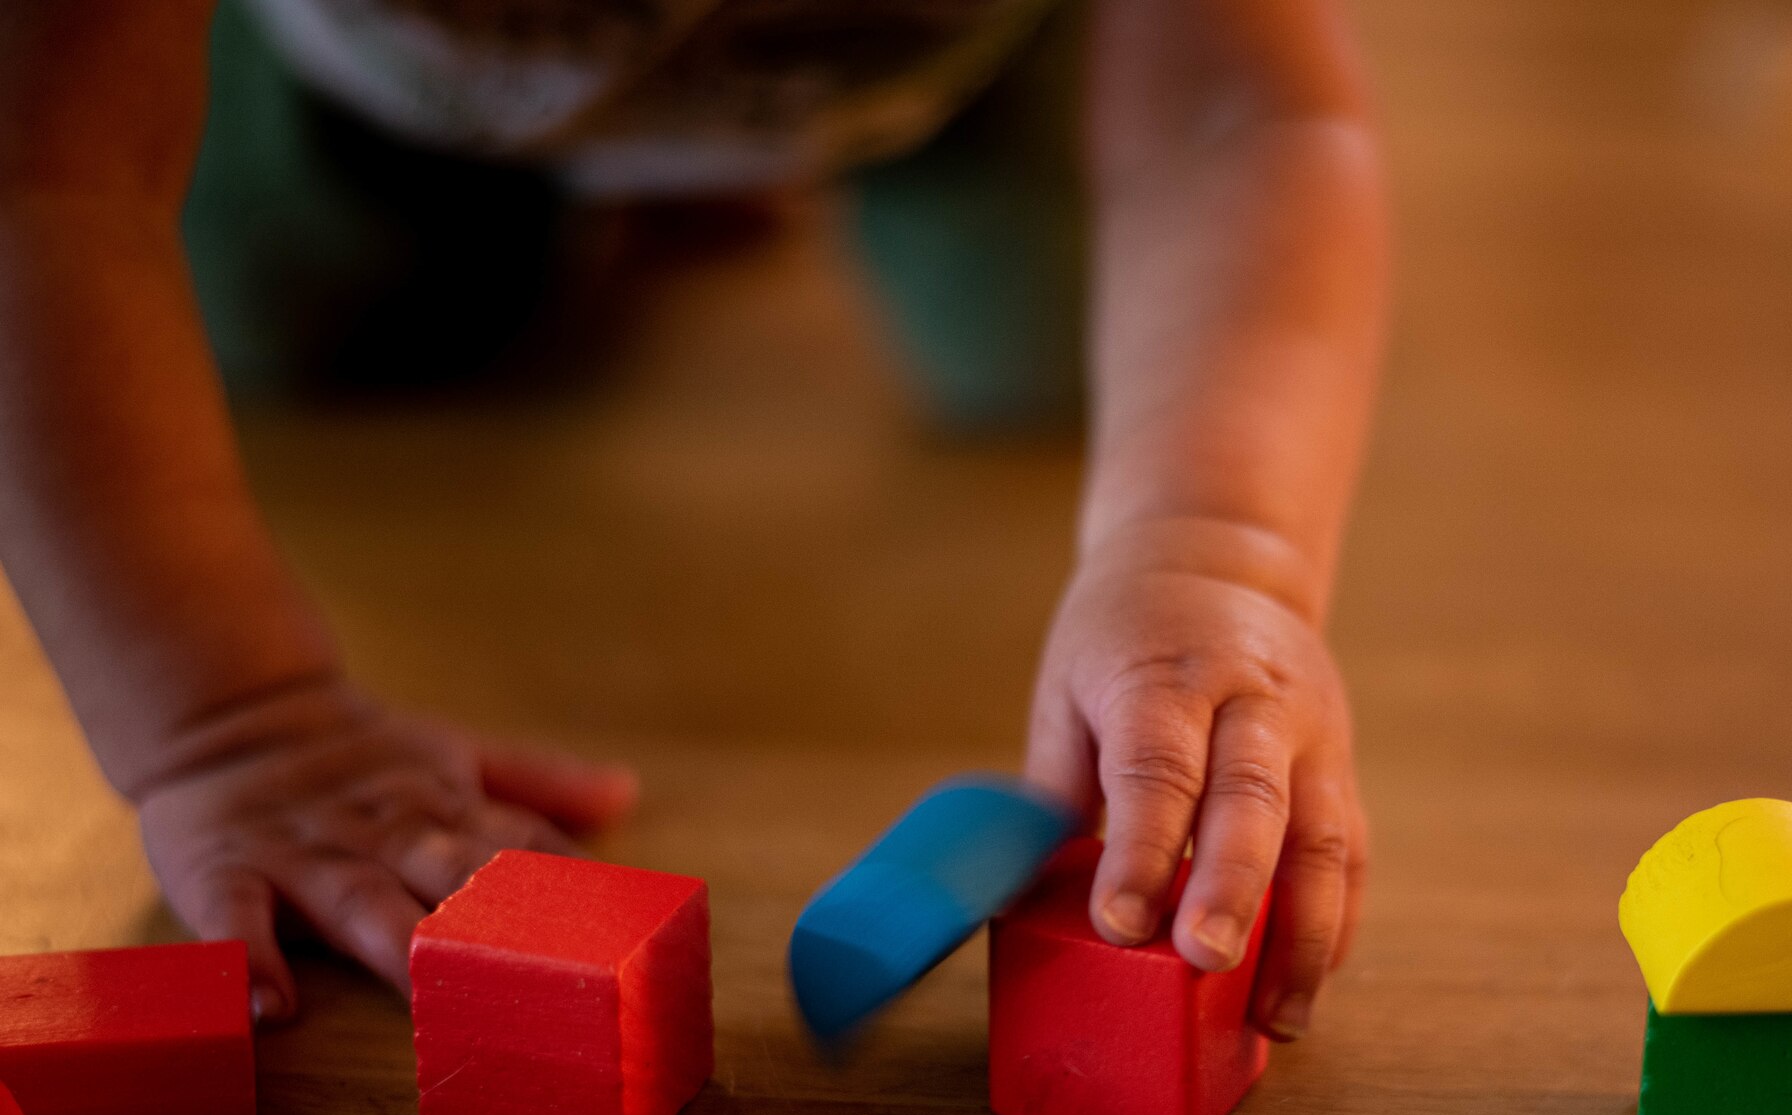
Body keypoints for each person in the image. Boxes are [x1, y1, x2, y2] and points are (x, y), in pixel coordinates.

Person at [0, 0, 1387, 1041]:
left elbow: (1244, 114)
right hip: (380, 78)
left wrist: (1216, 547)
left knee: (1051, 359)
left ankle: (744, 168)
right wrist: (229, 724)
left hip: (941, 57)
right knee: (305, 322)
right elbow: (46, 183)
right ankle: (556, 199)